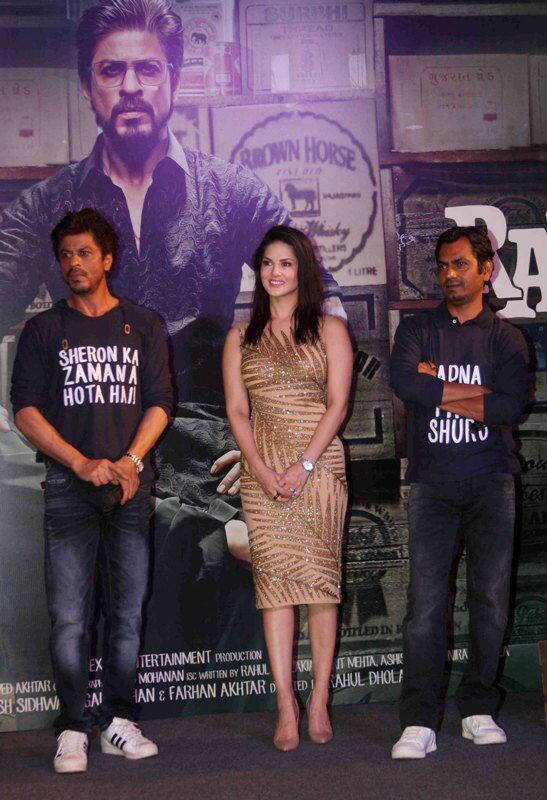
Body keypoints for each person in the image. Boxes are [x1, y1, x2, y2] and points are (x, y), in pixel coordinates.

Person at [0, 0, 344, 657]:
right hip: (91, 449)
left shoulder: (237, 192)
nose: (130, 85)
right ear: (87, 87)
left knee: (215, 664)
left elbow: (321, 309)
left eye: (147, 70)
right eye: (111, 71)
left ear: (174, 79)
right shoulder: (46, 205)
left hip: (206, 460)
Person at [10, 209, 173, 773]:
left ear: (107, 259)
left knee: (126, 615)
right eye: (65, 255)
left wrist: (129, 461)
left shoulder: (144, 324)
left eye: (85, 253)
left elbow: (160, 402)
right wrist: (79, 463)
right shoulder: (42, 330)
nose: (74, 264)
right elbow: (25, 411)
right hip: (66, 488)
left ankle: (118, 721)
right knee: (71, 618)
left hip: (131, 490)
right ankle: (73, 727)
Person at [389, 225, 529, 759]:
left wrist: (440, 392)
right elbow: (408, 385)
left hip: (493, 480)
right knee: (425, 605)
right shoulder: (418, 330)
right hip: (432, 483)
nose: (449, 275)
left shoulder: (506, 338)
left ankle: (478, 708)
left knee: (490, 600)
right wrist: (476, 396)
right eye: (443, 266)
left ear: (486, 269)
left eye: (461, 265)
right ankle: (419, 720)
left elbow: (509, 408)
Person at [222, 226, 353, 751]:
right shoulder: (240, 336)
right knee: (274, 590)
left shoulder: (329, 328)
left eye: (286, 264)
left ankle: (319, 698)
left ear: (303, 270)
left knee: (321, 588)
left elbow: (338, 404)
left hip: (319, 468)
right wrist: (258, 466)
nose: (275, 274)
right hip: (262, 473)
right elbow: (236, 410)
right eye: (268, 264)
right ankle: (285, 705)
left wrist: (303, 464)